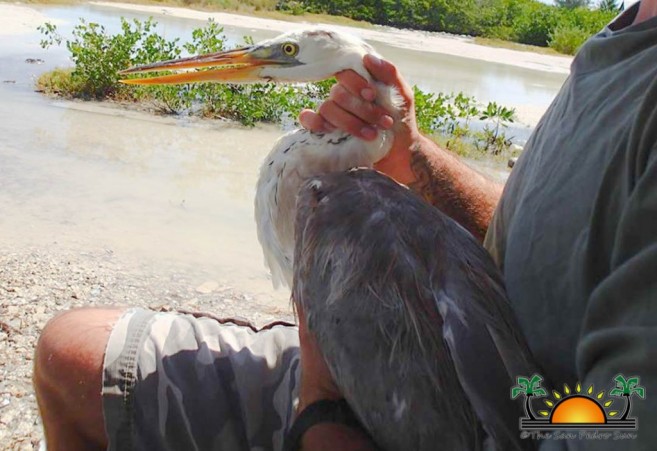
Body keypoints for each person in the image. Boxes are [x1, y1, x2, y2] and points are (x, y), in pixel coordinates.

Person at [33, 1, 657, 450]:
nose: (254, 62)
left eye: (279, 56)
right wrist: (410, 156)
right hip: (448, 365)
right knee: (74, 350)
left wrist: (322, 406)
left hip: (483, 412)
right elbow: (552, 245)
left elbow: (615, 422)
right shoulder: (618, 40)